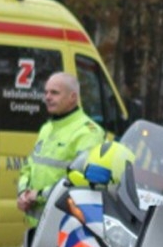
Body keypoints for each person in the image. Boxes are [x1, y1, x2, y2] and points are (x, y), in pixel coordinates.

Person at [16, 73, 106, 227]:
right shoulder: (47, 128)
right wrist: (23, 192)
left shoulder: (88, 132)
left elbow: (82, 181)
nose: (48, 97)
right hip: (34, 230)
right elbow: (28, 167)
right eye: (46, 92)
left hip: (65, 228)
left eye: (54, 93)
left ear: (73, 97)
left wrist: (38, 195)